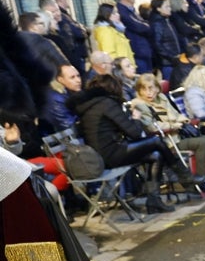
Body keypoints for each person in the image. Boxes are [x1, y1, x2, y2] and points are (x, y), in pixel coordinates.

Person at [68, 73, 176, 213]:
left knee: (156, 155)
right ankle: (178, 171)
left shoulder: (92, 105)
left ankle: (154, 201)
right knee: (156, 141)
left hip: (102, 155)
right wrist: (136, 118)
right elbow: (135, 133)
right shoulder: (106, 104)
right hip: (111, 155)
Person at [129, 73, 205, 193]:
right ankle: (200, 182)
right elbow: (151, 127)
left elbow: (175, 114)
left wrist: (183, 119)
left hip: (177, 135)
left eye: (152, 88)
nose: (149, 93)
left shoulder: (162, 97)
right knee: (202, 142)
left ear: (157, 87)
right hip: (166, 141)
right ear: (139, 91)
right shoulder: (139, 104)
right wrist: (173, 125)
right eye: (144, 89)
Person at [115, 0, 154, 73]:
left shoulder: (132, 10)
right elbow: (138, 27)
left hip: (144, 52)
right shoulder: (122, 12)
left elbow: (144, 24)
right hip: (137, 53)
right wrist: (146, 26)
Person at [148, 0, 182, 82]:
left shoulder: (166, 20)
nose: (169, 9)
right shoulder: (157, 23)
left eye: (169, 6)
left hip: (173, 60)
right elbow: (157, 44)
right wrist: (171, 57)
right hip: (167, 63)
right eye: (167, 6)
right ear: (158, 8)